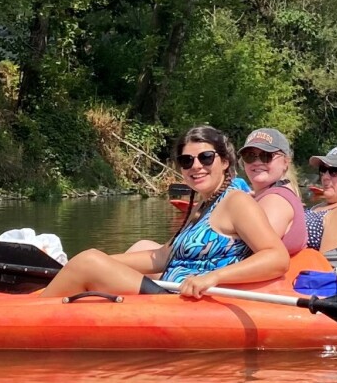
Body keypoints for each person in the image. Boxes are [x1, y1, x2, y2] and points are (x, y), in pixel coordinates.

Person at [42, 126, 289, 298]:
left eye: (205, 158)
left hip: (183, 300)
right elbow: (161, 257)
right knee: (89, 259)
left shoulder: (236, 201)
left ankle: (28, 312)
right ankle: (44, 299)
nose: (196, 166)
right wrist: (102, 260)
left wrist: (213, 277)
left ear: (225, 162)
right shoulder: (203, 205)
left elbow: (276, 257)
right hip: (168, 291)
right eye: (186, 161)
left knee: (88, 262)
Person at [237, 128, 307, 254]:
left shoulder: (276, 200)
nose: (257, 162)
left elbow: (256, 255)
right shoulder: (271, 195)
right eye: (249, 156)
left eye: (266, 156)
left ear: (285, 162)